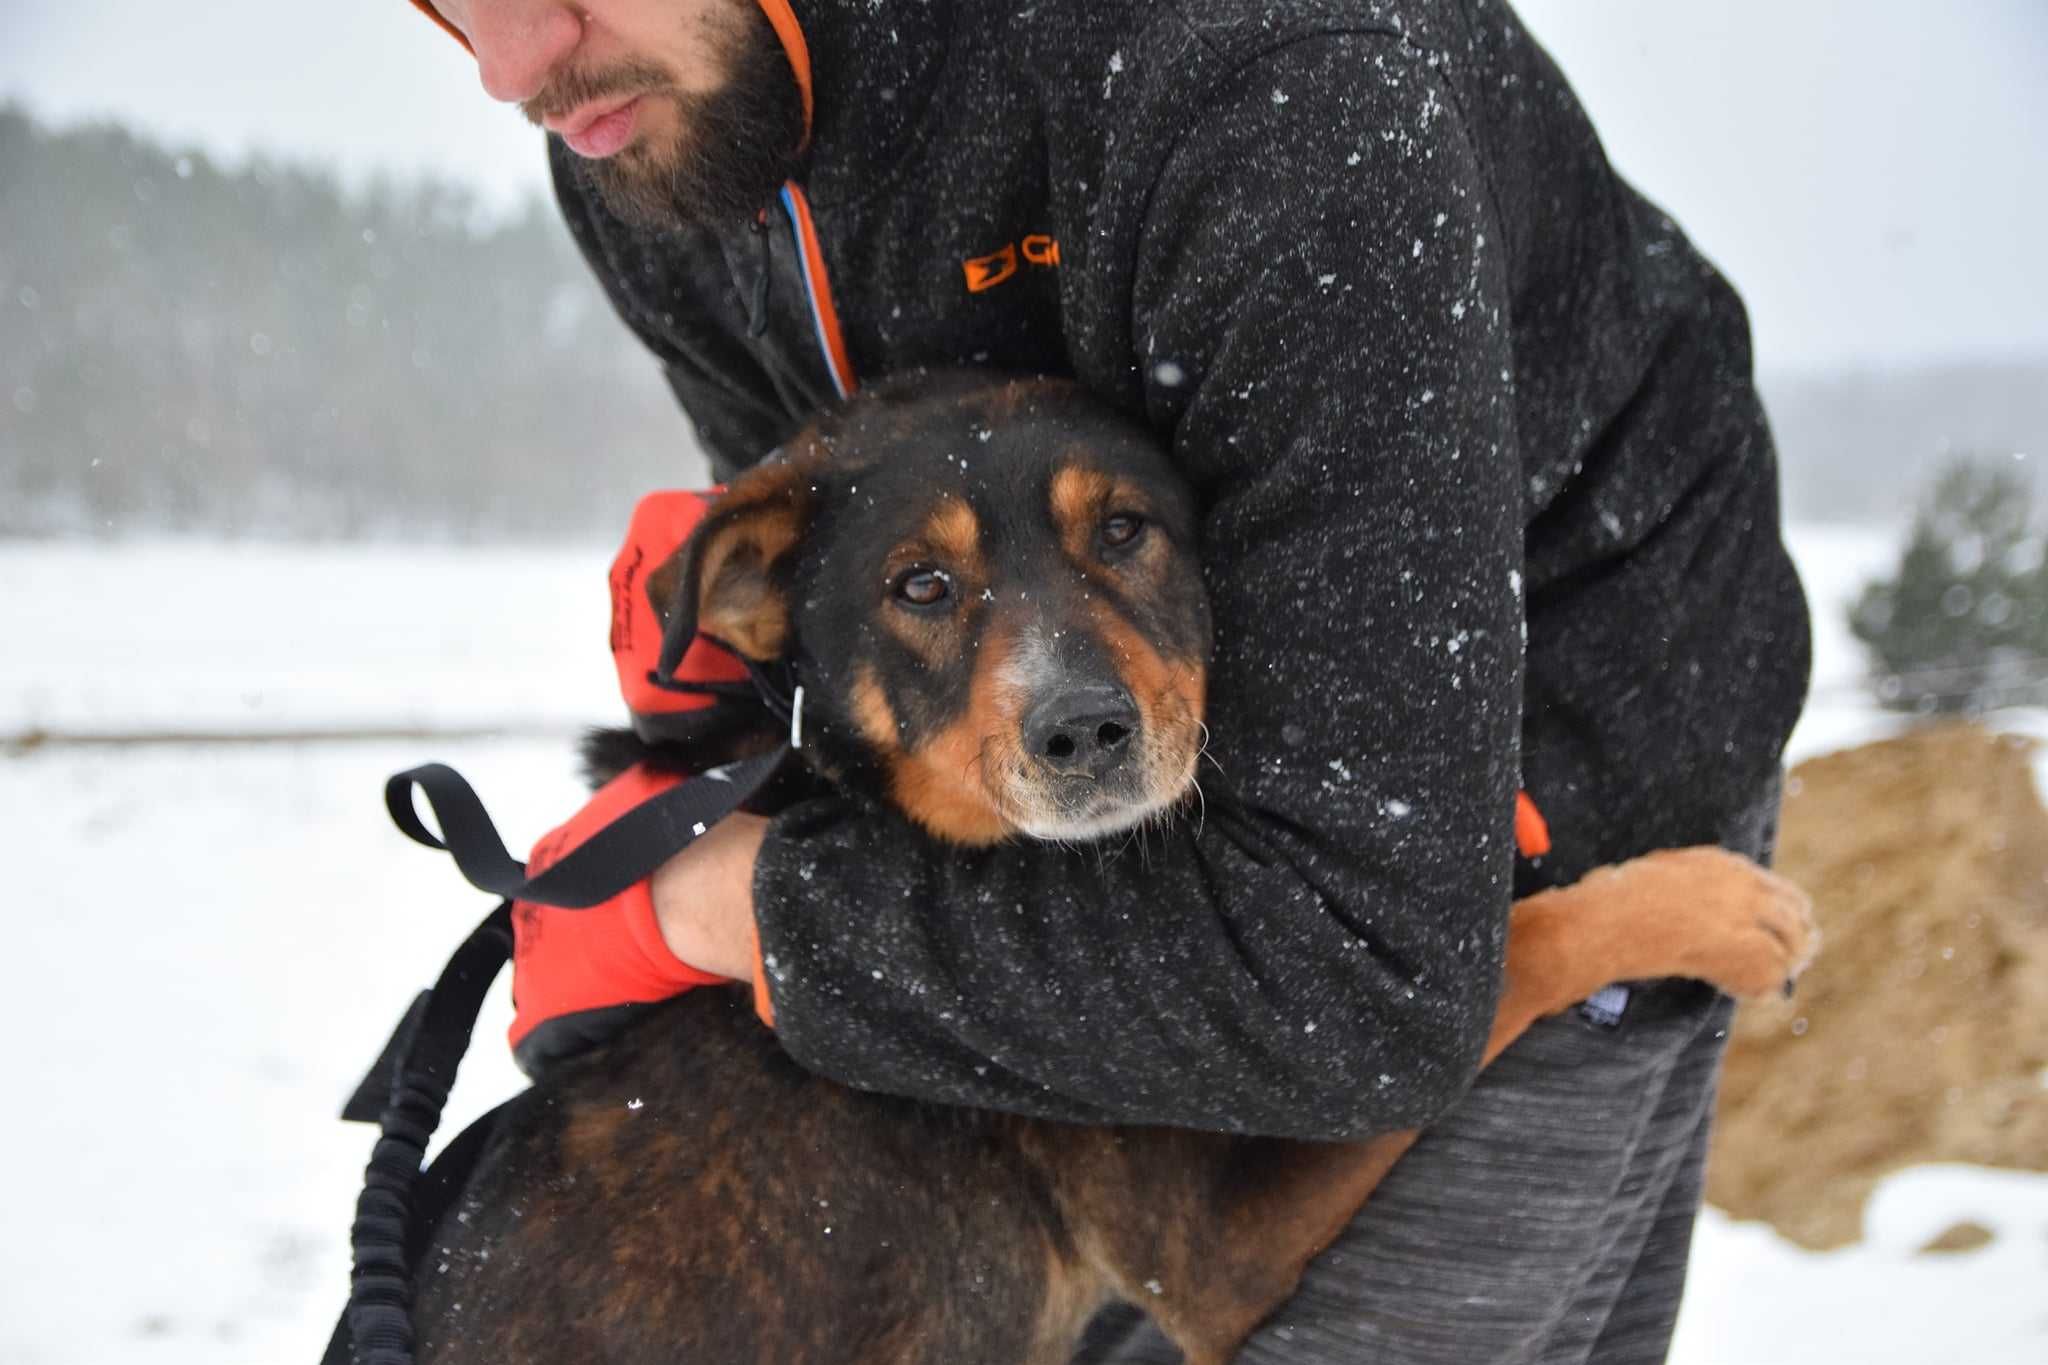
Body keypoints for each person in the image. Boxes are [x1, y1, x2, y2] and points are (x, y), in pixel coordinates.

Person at [402, 3, 1812, 1362]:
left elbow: (1373, 989)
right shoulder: (629, 114)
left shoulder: (1265, 71)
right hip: (1088, 929)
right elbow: (830, 522)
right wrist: (720, 743)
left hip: (1523, 732)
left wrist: (736, 905)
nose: (510, 61)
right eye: (449, 1)